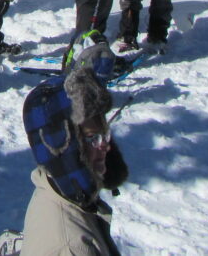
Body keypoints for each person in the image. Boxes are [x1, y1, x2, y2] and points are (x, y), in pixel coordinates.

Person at [21, 67, 128, 256]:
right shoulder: (71, 247)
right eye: (92, 138)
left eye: (104, 134)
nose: (105, 147)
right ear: (63, 147)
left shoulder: (54, 189)